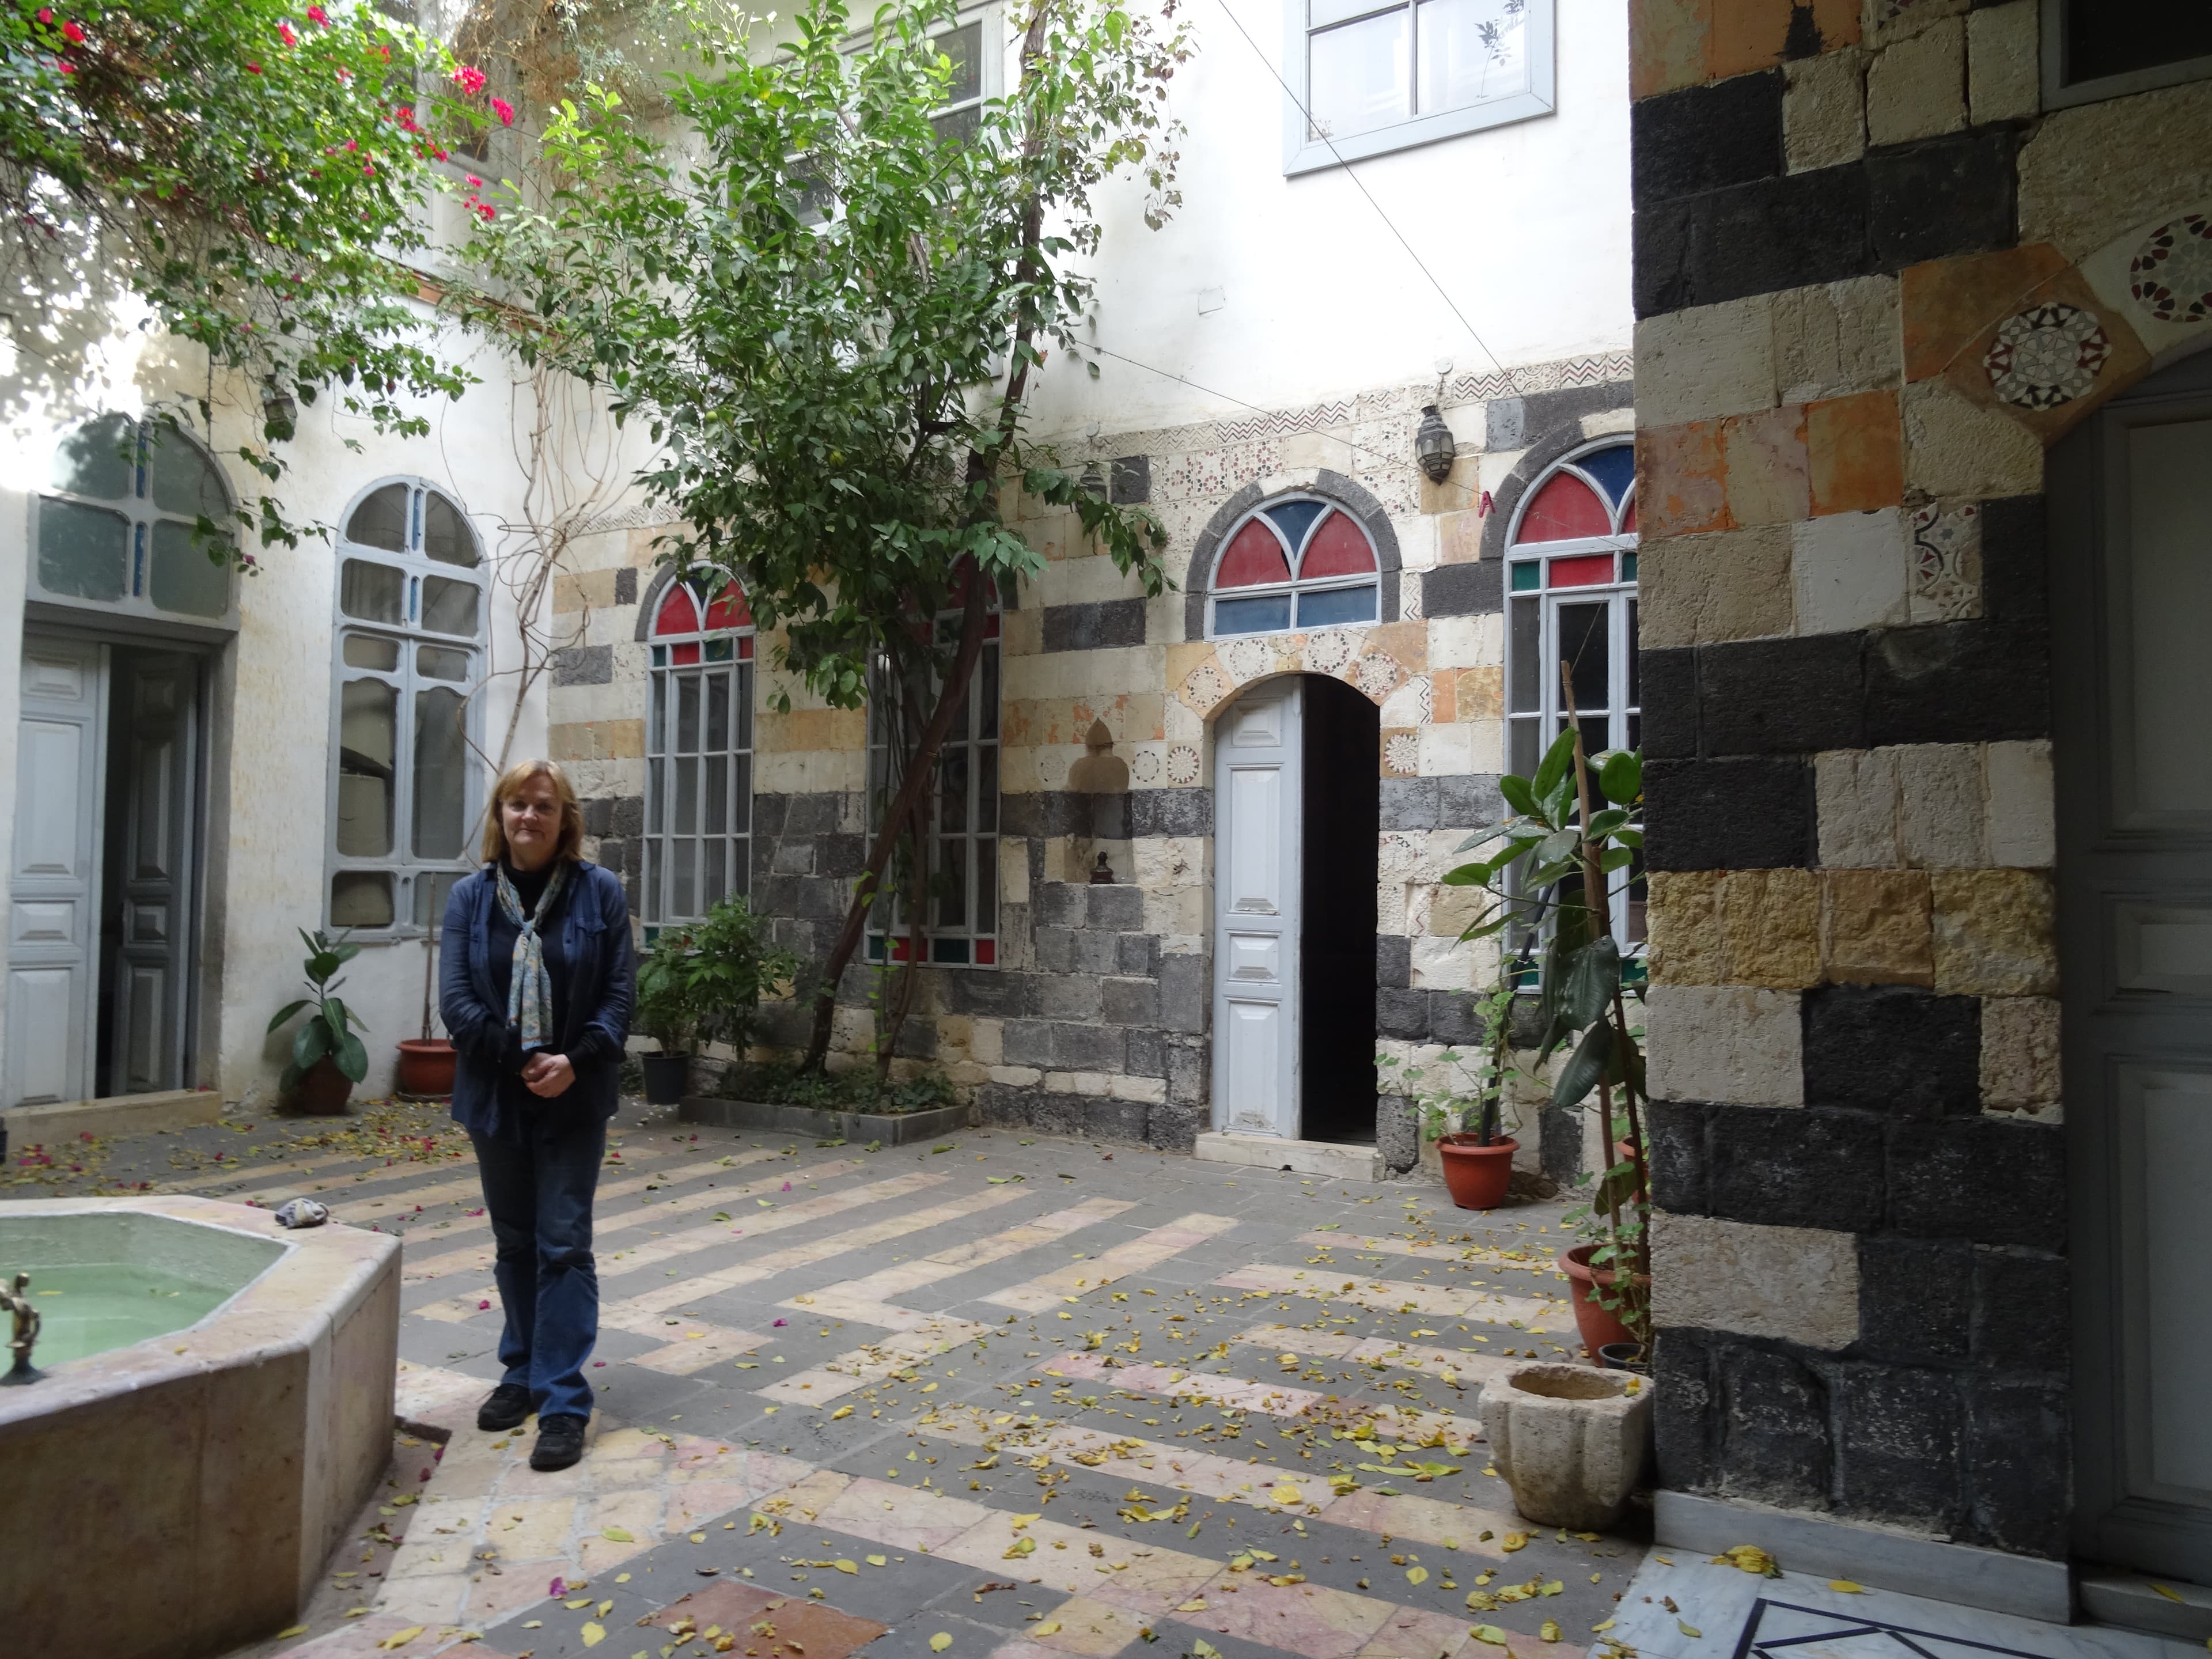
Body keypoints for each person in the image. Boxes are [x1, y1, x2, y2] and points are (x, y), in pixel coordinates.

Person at [440, 759, 634, 1472]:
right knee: (515, 1242)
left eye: (543, 806)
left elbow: (618, 997)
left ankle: (561, 1400)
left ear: (565, 820)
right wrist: (520, 1062)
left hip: (574, 1097)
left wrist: (574, 1061)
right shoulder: (469, 898)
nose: (529, 817)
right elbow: (456, 1001)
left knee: (564, 1244)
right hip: (497, 1094)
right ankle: (520, 1371)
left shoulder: (599, 893)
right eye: (517, 804)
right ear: (500, 815)